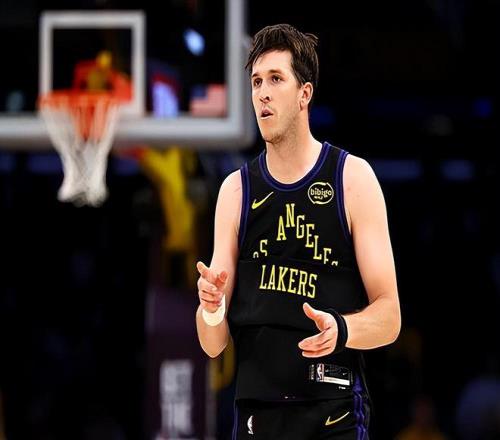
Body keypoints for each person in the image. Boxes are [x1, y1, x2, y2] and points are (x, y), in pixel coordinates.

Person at [195, 23, 401, 439]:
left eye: (276, 79)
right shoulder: (235, 190)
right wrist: (212, 307)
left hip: (333, 412)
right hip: (257, 415)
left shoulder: (352, 178)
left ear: (304, 93)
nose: (262, 93)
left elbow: (389, 317)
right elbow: (213, 344)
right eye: (256, 82)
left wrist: (343, 329)